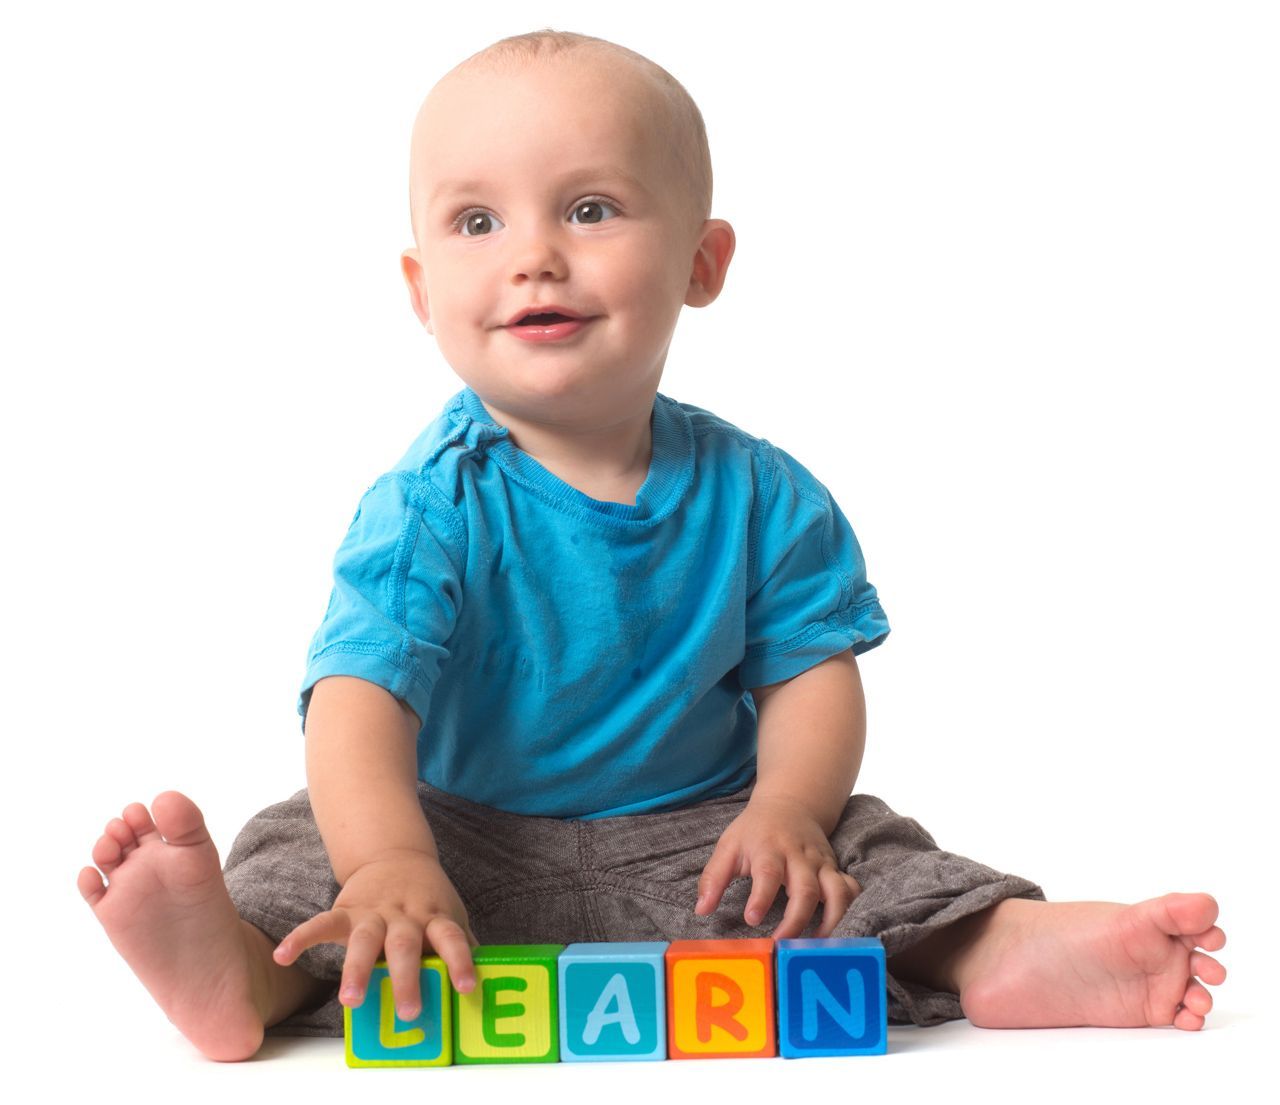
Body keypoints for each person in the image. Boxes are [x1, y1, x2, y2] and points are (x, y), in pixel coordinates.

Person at [77, 30, 1226, 1062]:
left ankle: (999, 948)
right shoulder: (428, 506)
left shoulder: (763, 492)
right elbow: (356, 702)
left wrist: (783, 804)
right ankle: (235, 972)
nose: (533, 254)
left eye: (588, 209)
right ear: (423, 293)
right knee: (310, 855)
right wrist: (388, 858)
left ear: (700, 263)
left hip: (705, 838)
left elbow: (811, 679)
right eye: (478, 221)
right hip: (452, 843)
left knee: (857, 848)